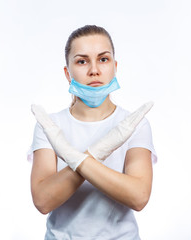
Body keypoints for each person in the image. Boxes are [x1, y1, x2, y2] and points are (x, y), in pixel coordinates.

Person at [29, 25, 157, 240]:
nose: (94, 70)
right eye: (82, 61)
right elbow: (43, 201)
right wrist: (98, 151)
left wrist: (73, 156)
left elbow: (139, 197)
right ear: (67, 73)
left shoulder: (134, 125)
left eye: (103, 59)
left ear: (115, 67)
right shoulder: (50, 126)